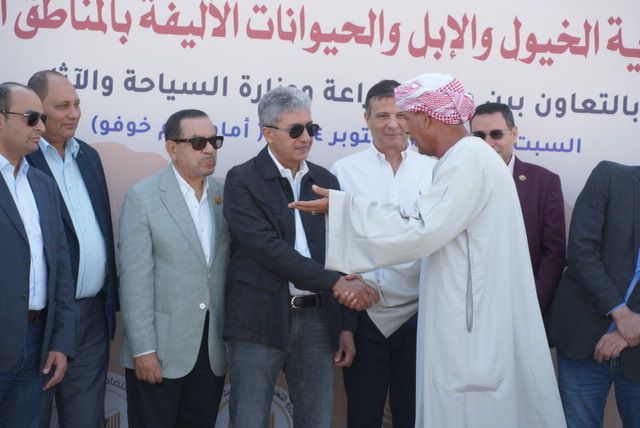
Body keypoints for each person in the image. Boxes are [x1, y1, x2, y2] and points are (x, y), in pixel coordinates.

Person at [290, 73, 566, 427]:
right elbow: (422, 220)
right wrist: (345, 209)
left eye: (406, 118)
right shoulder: (466, 157)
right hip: (466, 325)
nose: (403, 129)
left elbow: (420, 230)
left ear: (427, 118)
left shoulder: (466, 159)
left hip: (472, 332)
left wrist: (345, 211)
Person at [222, 86, 377, 428]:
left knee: (316, 421)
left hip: (318, 320)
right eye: (295, 130)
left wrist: (346, 327)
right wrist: (334, 283)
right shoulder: (242, 179)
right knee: (248, 419)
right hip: (257, 320)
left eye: (311, 128)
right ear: (268, 133)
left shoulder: (325, 180)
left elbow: (343, 253)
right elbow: (268, 249)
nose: (306, 138)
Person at [331, 79, 436, 427]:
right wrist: (346, 323)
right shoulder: (343, 172)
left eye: (401, 115)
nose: (393, 124)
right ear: (366, 118)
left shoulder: (435, 170)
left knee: (413, 415)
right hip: (365, 314)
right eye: (382, 116)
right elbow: (338, 246)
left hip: (421, 314)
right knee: (363, 414)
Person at [118, 109, 229, 428]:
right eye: (198, 142)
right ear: (172, 148)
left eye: (214, 141)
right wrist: (143, 349)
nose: (209, 150)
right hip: (159, 351)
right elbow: (135, 281)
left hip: (211, 352)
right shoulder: (143, 197)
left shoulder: (225, 195)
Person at [24, 70, 117, 428]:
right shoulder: (22, 159)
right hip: (41, 318)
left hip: (92, 316)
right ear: (36, 110)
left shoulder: (89, 156)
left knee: (85, 419)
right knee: (27, 415)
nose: (74, 113)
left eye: (77, 104)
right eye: (62, 106)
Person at [0, 82, 76, 427]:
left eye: (42, 119)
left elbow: (60, 267)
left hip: (37, 346)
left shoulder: (42, 184)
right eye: (32, 118)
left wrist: (60, 341)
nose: (42, 128)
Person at [547, 161, 640, 427]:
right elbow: (581, 251)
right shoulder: (609, 177)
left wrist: (633, 329)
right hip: (583, 340)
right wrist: (621, 314)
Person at [470, 102, 565, 314]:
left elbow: (553, 254)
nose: (488, 143)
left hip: (522, 305)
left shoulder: (544, 182)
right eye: (479, 136)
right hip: (471, 306)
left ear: (514, 134)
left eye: (496, 134)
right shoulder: (460, 181)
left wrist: (530, 306)